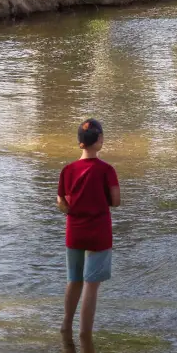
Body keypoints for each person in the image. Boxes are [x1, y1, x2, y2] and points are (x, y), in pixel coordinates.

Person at [57, 118, 120, 338]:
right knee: (91, 286)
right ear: (100, 140)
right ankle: (85, 336)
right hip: (99, 233)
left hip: (74, 231)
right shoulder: (106, 170)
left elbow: (61, 203)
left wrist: (72, 210)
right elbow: (116, 200)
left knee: (74, 280)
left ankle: (65, 326)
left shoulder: (68, 170)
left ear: (80, 141)